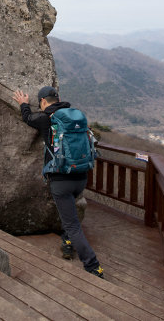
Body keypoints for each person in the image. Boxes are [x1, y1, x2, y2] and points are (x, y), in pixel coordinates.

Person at [12, 86, 104, 279]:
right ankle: (68, 242)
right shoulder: (75, 116)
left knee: (72, 225)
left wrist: (23, 104)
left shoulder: (47, 118)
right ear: (59, 98)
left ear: (43, 101)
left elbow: (28, 118)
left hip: (61, 180)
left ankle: (93, 266)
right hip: (81, 177)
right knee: (70, 216)